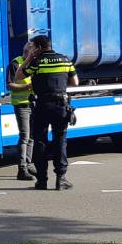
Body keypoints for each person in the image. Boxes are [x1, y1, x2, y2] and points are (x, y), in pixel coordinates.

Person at [16, 35, 79, 191]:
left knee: (40, 142)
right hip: (61, 106)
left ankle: (42, 181)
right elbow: (75, 82)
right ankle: (61, 179)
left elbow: (18, 77)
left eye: (32, 47)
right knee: (60, 141)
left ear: (38, 47)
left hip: (42, 106)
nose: (31, 50)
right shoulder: (65, 60)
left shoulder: (37, 62)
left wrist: (29, 58)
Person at [7, 42, 38, 181]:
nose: (35, 56)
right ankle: (22, 169)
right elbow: (10, 85)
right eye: (33, 53)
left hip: (33, 103)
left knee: (31, 136)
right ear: (27, 52)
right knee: (25, 136)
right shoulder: (16, 63)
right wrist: (27, 86)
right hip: (21, 104)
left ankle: (28, 163)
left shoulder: (34, 63)